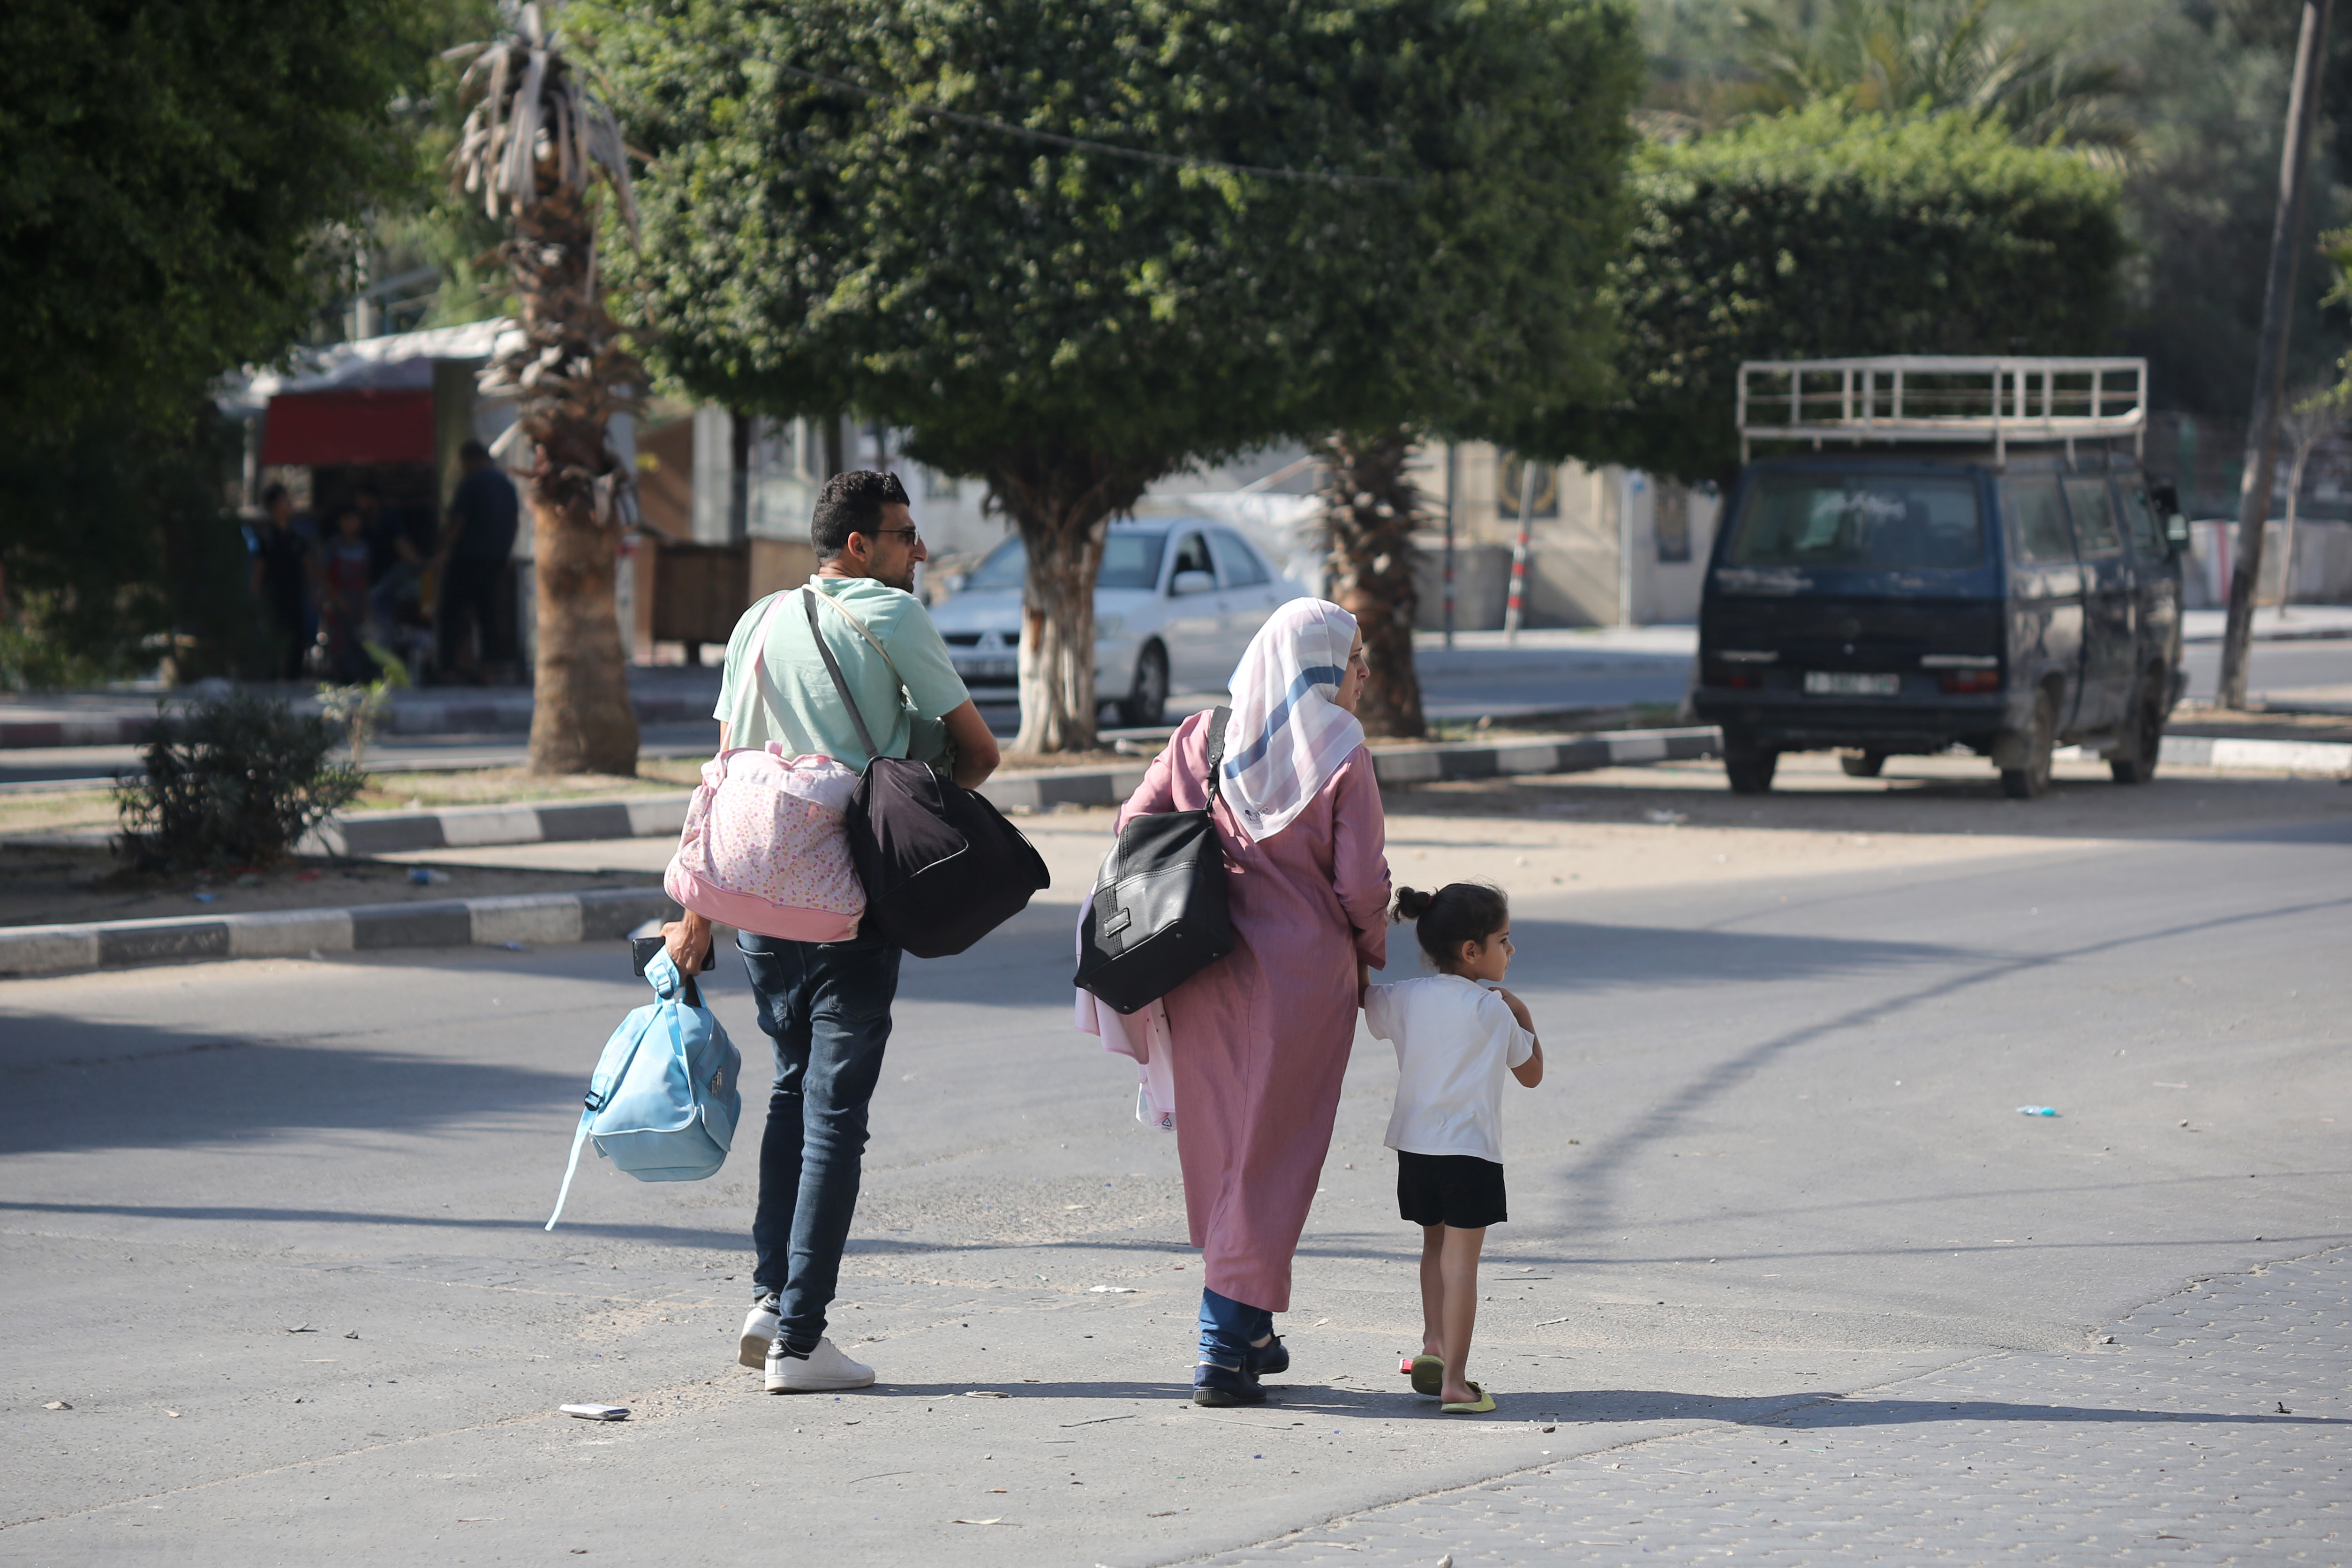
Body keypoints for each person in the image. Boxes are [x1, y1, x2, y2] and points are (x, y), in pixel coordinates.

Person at [662, 470, 1001, 1395]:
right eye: (903, 535)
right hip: (850, 893)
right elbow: (980, 752)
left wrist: (697, 914)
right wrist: (913, 792)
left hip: (761, 893)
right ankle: (801, 1342)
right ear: (859, 546)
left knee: (793, 1085)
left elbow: (726, 770)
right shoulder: (891, 619)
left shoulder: (757, 621)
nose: (917, 552)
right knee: (836, 1118)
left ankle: (770, 1298)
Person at [1095, 598, 1391, 1408]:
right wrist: (1372, 948)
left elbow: (1133, 823)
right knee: (1274, 1154)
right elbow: (1362, 884)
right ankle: (1222, 1340)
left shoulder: (1200, 734)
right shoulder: (1342, 749)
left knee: (1227, 1144)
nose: (1362, 673)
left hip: (1203, 966)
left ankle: (1252, 1328)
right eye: (1353, 658)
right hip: (1299, 984)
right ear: (1320, 668)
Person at [1365, 882, 1544, 1415]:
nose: (1512, 951)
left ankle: (1433, 1346)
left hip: (1415, 1151)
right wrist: (1523, 1012)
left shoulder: (1406, 996)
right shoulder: (1493, 1010)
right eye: (1504, 940)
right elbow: (1532, 1074)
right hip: (1470, 1154)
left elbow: (1361, 996)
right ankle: (1457, 1384)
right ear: (1472, 951)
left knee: (1433, 1249)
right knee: (1462, 1266)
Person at [435, 440, 520, 683]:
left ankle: (448, 668)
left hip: (467, 557)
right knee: (488, 614)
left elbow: (457, 523)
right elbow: (514, 523)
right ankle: (489, 668)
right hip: (495, 559)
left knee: (451, 612)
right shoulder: (506, 485)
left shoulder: (471, 482)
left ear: (469, 460)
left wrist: (440, 551)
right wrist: (504, 553)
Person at [246, 483, 310, 679]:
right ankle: (270, 675)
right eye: (285, 500)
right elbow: (260, 568)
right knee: (273, 633)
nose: (289, 504)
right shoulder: (265, 537)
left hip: (295, 593)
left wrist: (315, 592)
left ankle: (294, 675)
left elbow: (308, 567)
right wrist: (255, 595)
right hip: (273, 594)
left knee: (297, 635)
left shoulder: (297, 536)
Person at [317, 503, 376, 682]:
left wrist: (365, 604)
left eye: (354, 520)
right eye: (347, 520)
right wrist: (337, 599)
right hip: (337, 599)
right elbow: (324, 576)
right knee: (337, 638)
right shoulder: (333, 546)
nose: (351, 524)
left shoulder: (363, 547)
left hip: (357, 599)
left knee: (357, 638)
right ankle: (337, 674)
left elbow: (365, 578)